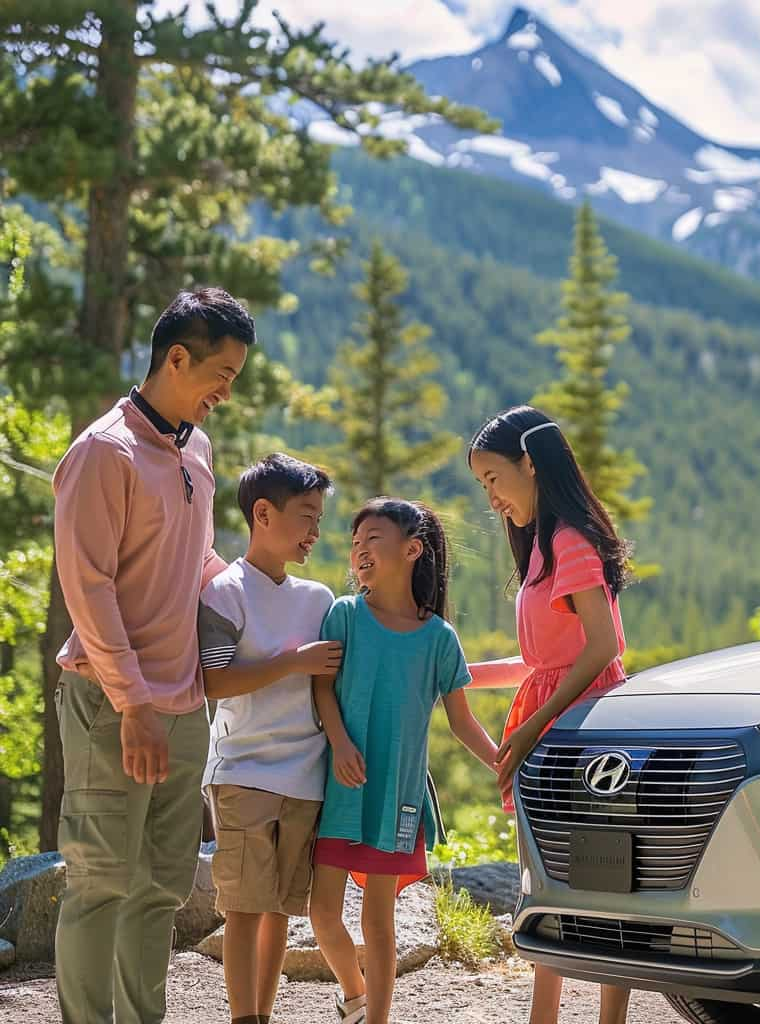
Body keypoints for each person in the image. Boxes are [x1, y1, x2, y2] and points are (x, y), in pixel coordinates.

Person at [52, 287, 256, 1024]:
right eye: (221, 377)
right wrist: (134, 702)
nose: (225, 396)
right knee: (99, 881)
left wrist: (259, 595)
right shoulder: (102, 453)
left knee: (160, 890)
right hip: (115, 704)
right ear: (177, 358)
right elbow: (88, 588)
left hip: (184, 706)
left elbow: (193, 558)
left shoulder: (194, 449)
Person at [467, 405, 633, 1024]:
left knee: (598, 881)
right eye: (481, 485)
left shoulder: (568, 540)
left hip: (586, 736)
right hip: (556, 725)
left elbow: (602, 647)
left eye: (493, 478)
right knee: (549, 885)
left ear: (529, 463)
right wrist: (466, 676)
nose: (491, 497)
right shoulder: (541, 546)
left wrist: (536, 727)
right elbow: (547, 660)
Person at [309, 498, 498, 1024]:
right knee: (322, 913)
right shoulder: (344, 614)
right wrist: (341, 743)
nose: (359, 551)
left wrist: (504, 763)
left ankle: (378, 1019)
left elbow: (462, 723)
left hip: (397, 798)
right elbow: (322, 690)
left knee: (380, 925)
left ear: (412, 549)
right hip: (342, 789)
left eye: (372, 539)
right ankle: (355, 994)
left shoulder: (439, 638)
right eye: (354, 544)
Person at [198, 453, 339, 1024]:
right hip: (242, 771)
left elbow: (328, 689)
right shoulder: (224, 592)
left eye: (319, 518)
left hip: (306, 774)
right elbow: (213, 679)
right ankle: (243, 1017)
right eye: (306, 515)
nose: (315, 531)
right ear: (263, 513)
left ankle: (265, 1013)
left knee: (282, 906)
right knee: (244, 908)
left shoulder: (320, 600)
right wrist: (291, 662)